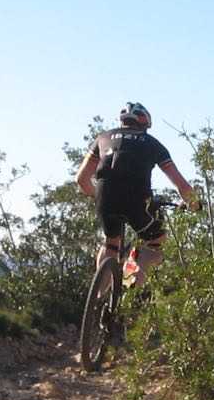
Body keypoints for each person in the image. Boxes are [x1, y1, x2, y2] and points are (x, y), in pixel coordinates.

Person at [74, 102, 198, 286]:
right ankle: (132, 290)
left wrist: (99, 198)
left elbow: (81, 179)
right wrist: (195, 205)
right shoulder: (152, 143)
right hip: (136, 200)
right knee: (157, 243)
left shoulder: (103, 138)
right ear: (145, 124)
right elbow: (181, 184)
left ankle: (99, 301)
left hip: (105, 198)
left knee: (110, 245)